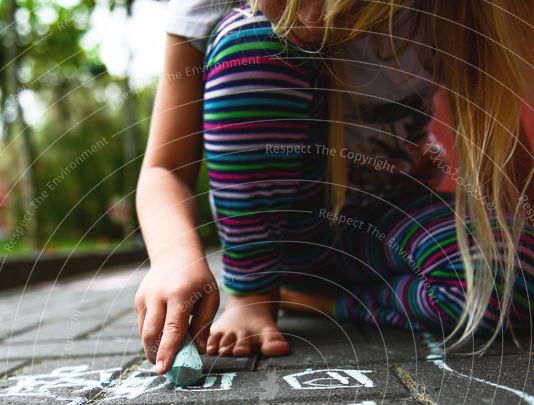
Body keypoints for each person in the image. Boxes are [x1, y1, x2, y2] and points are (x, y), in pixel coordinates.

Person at [135, 0, 534, 372]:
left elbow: (506, 156)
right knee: (253, 42)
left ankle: (318, 302)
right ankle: (254, 292)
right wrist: (174, 260)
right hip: (291, 235)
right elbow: (165, 168)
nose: (309, 16)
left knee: (506, 275)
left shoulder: (453, 13)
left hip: (385, 225)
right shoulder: (208, 7)